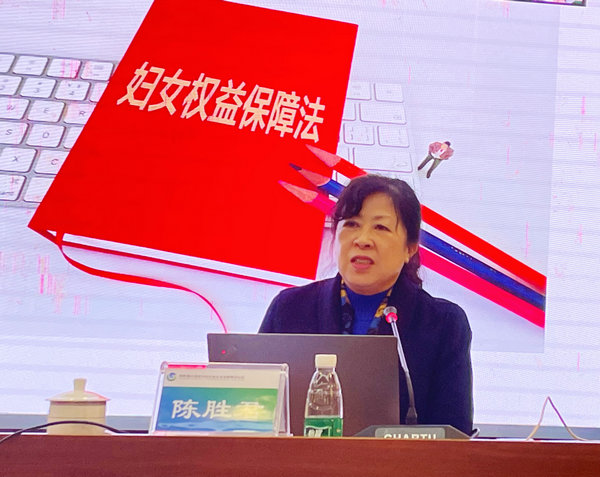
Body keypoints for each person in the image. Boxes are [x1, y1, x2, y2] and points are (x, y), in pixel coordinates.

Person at [259, 174, 473, 435]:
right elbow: (255, 413)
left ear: (410, 248)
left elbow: (454, 433)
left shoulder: (443, 323)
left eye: (380, 228)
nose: (362, 239)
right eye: (351, 224)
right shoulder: (290, 308)